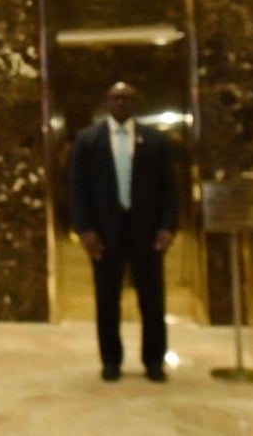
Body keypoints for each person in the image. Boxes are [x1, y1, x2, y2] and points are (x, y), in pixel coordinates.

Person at [67, 81, 179, 383]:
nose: (121, 102)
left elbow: (170, 188)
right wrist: (85, 230)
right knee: (107, 300)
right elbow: (77, 190)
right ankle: (111, 361)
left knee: (152, 300)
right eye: (115, 97)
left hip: (147, 233)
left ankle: (154, 361)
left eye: (126, 98)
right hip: (105, 235)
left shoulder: (154, 140)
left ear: (135, 103)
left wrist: (168, 227)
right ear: (106, 102)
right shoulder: (88, 140)